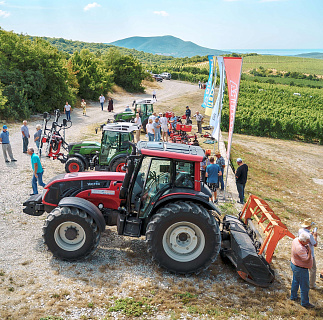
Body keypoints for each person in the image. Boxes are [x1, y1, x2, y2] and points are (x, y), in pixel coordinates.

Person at [290, 232, 314, 308]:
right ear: (303, 242)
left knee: (295, 281)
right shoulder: (300, 249)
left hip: (295, 265)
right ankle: (305, 303)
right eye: (307, 241)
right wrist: (309, 251)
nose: (308, 243)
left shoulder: (295, 240)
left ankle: (293, 296)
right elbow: (306, 260)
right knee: (304, 286)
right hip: (301, 269)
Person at [298, 219, 318, 289]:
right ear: (309, 226)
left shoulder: (300, 230)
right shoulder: (310, 235)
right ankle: (311, 285)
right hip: (310, 253)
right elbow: (315, 244)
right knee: (313, 269)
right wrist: (315, 236)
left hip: (302, 252)